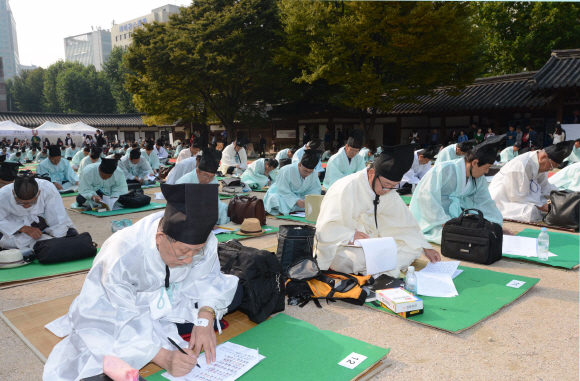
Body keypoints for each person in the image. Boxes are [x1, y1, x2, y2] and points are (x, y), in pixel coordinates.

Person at [44, 181, 240, 380]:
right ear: (160, 237)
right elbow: (109, 314)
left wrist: (205, 318)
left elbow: (210, 278)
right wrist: (164, 358)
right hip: (123, 307)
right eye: (183, 252)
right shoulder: (122, 252)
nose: (189, 260)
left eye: (196, 252)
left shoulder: (203, 242)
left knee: (230, 302)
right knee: (103, 348)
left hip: (175, 298)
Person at [315, 144, 440, 277]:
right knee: (362, 258)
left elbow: (405, 222)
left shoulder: (387, 190)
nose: (387, 191)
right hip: (343, 245)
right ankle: (383, 268)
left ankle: (382, 268)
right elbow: (325, 228)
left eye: (392, 187)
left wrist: (426, 247)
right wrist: (350, 236)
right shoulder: (344, 188)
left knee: (412, 248)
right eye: (386, 185)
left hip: (373, 241)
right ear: (371, 173)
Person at [410, 136, 509, 244]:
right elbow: (426, 197)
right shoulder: (443, 169)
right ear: (475, 162)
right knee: (461, 239)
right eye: (487, 167)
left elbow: (484, 202)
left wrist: (493, 225)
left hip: (455, 218)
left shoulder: (479, 180)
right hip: (430, 219)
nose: (486, 171)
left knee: (478, 234)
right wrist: (444, 222)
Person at [489, 140, 575, 222]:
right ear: (543, 157)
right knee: (530, 212)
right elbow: (516, 196)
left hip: (525, 195)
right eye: (553, 165)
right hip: (504, 197)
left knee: (555, 205)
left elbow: (544, 187)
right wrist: (541, 206)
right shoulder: (520, 165)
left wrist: (558, 198)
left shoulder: (542, 165)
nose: (552, 169)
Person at [0, 175, 76, 250]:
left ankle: (40, 244)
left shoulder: (47, 188)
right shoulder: (3, 194)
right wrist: (21, 228)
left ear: (39, 193)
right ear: (13, 193)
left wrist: (57, 238)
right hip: (13, 227)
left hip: (39, 225)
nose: (26, 206)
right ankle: (42, 244)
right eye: (20, 202)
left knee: (70, 232)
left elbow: (57, 218)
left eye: (32, 202)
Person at [176, 148, 230, 225]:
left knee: (225, 211)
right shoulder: (184, 182)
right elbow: (179, 207)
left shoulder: (213, 180)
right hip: (188, 214)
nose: (208, 180)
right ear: (197, 171)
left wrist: (211, 221)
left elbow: (214, 203)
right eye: (206, 176)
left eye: (211, 177)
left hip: (206, 213)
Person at [264, 150, 322, 216]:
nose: (308, 174)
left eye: (310, 171)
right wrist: (295, 201)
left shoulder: (314, 173)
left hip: (302, 197)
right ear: (299, 164)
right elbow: (282, 190)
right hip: (282, 195)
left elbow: (315, 189)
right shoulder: (285, 170)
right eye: (305, 171)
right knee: (274, 200)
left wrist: (308, 200)